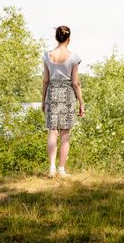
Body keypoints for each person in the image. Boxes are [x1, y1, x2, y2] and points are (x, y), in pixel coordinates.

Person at [41, 25, 85, 177]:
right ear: (69, 39)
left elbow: (45, 81)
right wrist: (81, 103)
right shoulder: (73, 57)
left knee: (52, 131)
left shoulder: (47, 56)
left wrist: (43, 101)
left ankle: (52, 168)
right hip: (67, 94)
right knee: (65, 134)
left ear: (56, 37)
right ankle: (61, 169)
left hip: (52, 93)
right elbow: (75, 83)